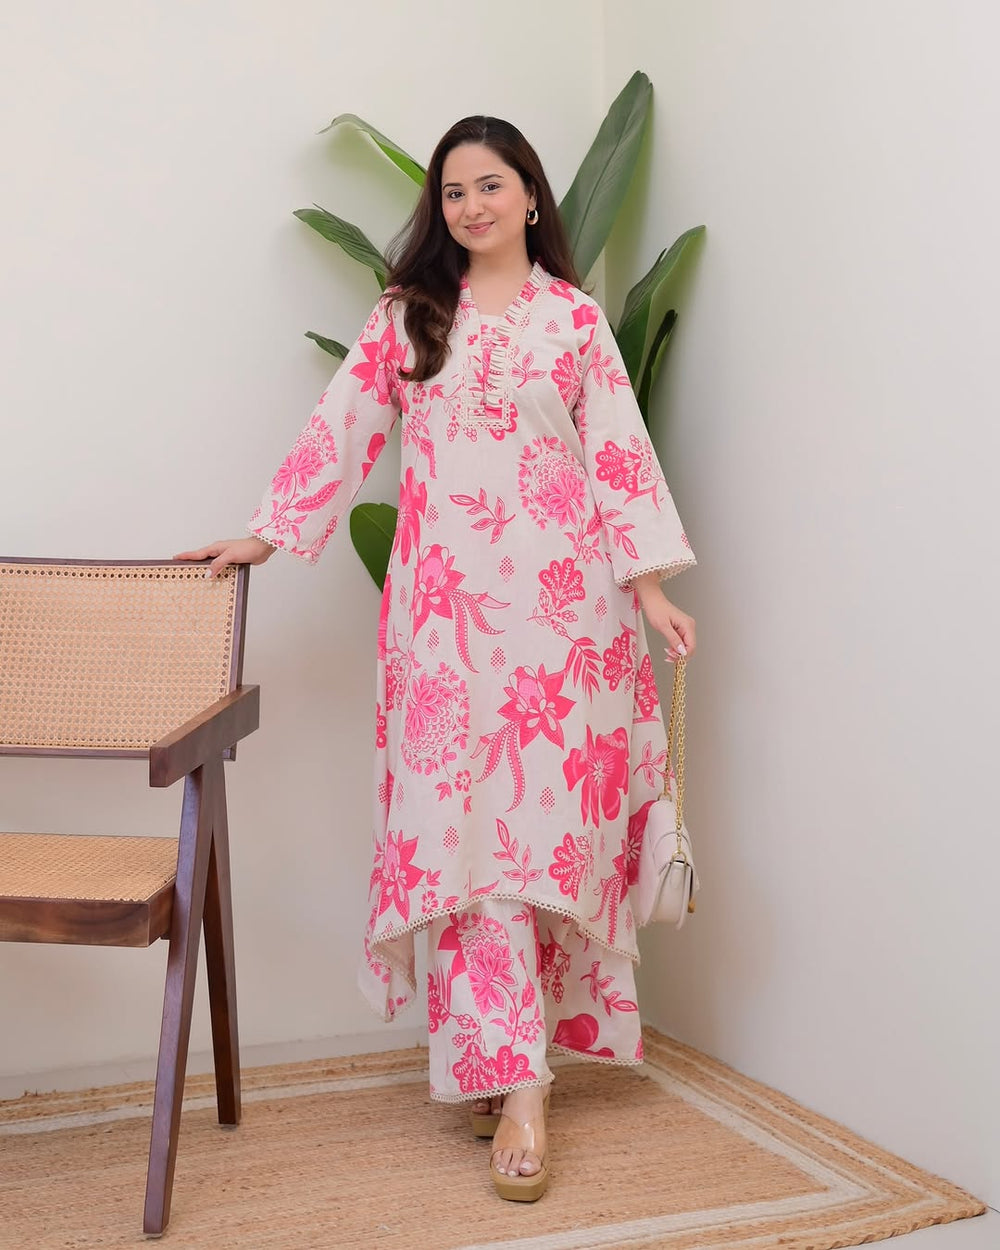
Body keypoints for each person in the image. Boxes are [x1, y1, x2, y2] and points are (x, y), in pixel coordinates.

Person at [177, 115, 696, 1202]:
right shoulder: (407, 316)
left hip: (565, 625)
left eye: (490, 186)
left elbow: (618, 455)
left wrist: (650, 589)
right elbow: (341, 431)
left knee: (542, 840)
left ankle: (519, 1075)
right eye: (454, 192)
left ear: (531, 196)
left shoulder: (575, 321)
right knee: (461, 841)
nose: (470, 206)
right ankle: (510, 1072)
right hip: (445, 627)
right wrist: (262, 536)